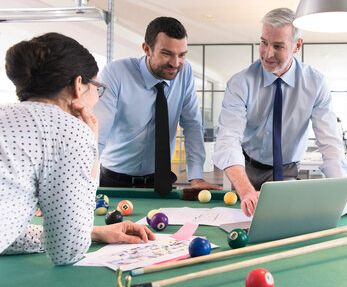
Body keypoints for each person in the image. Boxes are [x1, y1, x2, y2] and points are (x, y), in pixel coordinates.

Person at [0, 33, 155, 266]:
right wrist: (91, 150)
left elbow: (7, 230)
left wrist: (94, 233)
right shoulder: (70, 131)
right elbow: (67, 251)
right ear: (78, 85)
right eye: (96, 87)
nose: (97, 96)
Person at [212, 8, 347, 216]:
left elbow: (329, 141)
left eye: (278, 46)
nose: (267, 53)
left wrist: (340, 191)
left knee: (282, 222)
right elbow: (228, 140)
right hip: (245, 168)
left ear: (297, 45)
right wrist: (246, 191)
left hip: (287, 169)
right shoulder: (240, 83)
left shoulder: (315, 83)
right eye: (263, 42)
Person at [93, 17, 220, 192]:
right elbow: (97, 132)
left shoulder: (185, 72)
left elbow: (191, 124)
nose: (175, 64)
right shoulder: (116, 73)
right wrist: (76, 182)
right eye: (167, 54)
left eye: (182, 55)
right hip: (114, 180)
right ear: (147, 49)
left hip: (160, 180)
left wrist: (196, 176)